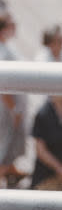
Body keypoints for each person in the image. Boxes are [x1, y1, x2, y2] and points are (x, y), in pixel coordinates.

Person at [0, 11, 29, 188]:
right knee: (5, 141)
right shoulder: (2, 51)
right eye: (11, 25)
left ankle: (10, 167)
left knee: (10, 141)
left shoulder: (7, 47)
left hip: (11, 108)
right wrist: (14, 109)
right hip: (6, 110)